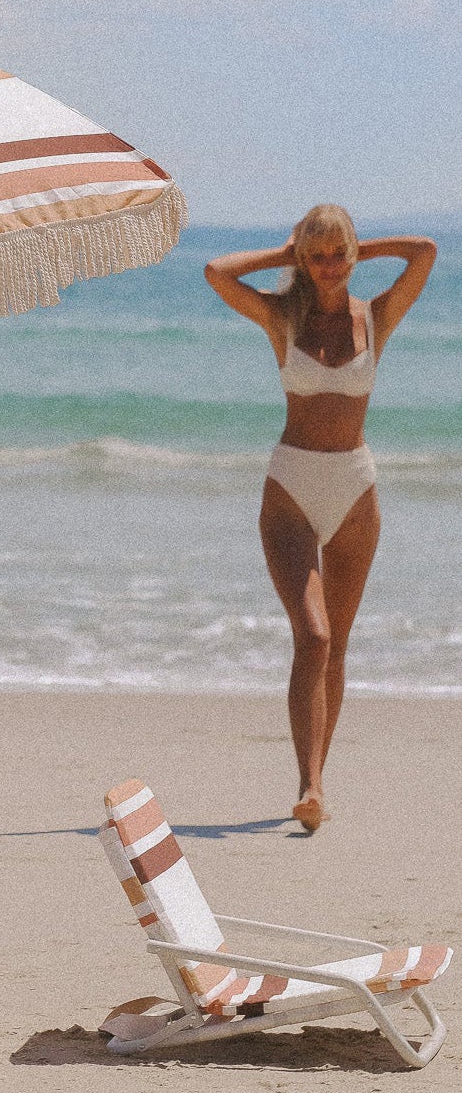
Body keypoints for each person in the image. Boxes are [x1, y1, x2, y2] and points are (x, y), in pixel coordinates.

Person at [205, 207, 436, 832]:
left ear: (353, 256)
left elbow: (424, 251)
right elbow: (216, 271)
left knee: (338, 646)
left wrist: (355, 244)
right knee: (314, 636)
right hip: (291, 489)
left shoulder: (375, 317)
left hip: (355, 489)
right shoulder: (281, 317)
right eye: (318, 256)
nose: (330, 266)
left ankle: (317, 787)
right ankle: (306, 785)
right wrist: (286, 253)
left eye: (340, 254)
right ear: (303, 261)